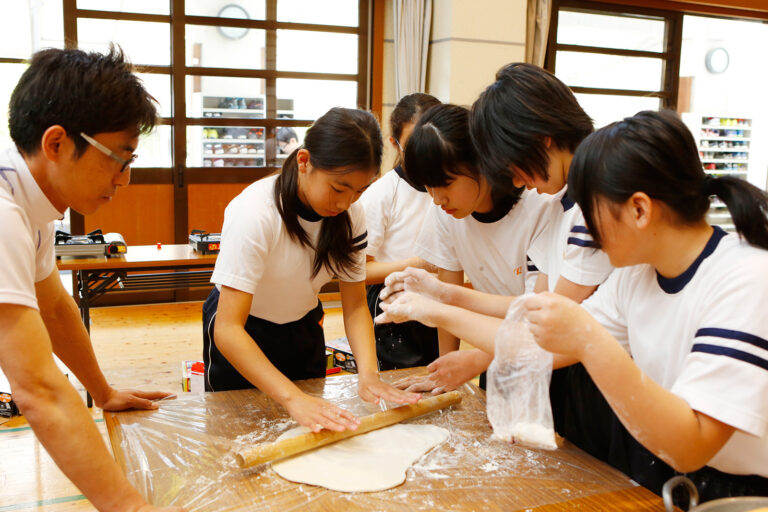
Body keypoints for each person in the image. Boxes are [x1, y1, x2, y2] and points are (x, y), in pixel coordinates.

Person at [524, 109, 768, 500]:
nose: (586, 227)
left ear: (639, 209)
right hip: (667, 467)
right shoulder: (636, 275)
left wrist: (588, 340)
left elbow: (692, 445)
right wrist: (442, 305)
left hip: (742, 492)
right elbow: (545, 347)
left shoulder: (747, 278)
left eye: (591, 210)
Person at [0, 47, 182, 512]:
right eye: (119, 159)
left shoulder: (28, 204)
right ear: (56, 143)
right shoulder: (4, 215)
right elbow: (38, 391)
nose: (124, 179)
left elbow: (55, 307)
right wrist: (130, 506)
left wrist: (102, 392)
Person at [387, 63, 612, 394]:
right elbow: (536, 304)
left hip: (595, 371)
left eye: (514, 166)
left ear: (541, 141)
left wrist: (440, 311)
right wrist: (444, 296)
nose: (517, 181)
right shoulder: (563, 201)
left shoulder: (591, 201)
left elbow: (545, 319)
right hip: (552, 356)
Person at [203, 107, 420, 433]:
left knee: (306, 433)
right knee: (239, 435)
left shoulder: (351, 216)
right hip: (244, 335)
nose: (346, 203)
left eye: (359, 191)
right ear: (304, 161)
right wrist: (291, 398)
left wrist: (369, 375)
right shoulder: (254, 213)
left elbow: (357, 305)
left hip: (302, 331)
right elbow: (228, 329)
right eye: (338, 188)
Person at [384, 103, 551, 392]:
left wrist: (477, 359)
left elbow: (539, 316)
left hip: (549, 354)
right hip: (493, 349)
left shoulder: (538, 205)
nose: (437, 199)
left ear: (482, 163)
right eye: (428, 187)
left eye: (445, 185)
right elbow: (448, 300)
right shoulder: (446, 213)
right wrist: (444, 371)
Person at [359, 93, 441, 370]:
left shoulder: (450, 186)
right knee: (400, 385)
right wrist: (420, 265)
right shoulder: (382, 193)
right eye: (413, 146)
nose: (424, 155)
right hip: (392, 301)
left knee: (435, 376)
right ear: (395, 144)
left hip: (438, 298)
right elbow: (359, 272)